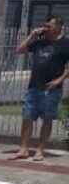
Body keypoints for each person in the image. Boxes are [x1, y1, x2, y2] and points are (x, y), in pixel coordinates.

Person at [11, 16, 69, 161]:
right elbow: (19, 50)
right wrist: (32, 35)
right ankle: (23, 149)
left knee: (47, 118)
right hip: (34, 86)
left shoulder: (65, 44)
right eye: (45, 25)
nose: (46, 28)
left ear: (58, 27)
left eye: (49, 26)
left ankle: (39, 150)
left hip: (51, 88)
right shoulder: (39, 42)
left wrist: (60, 80)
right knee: (27, 117)